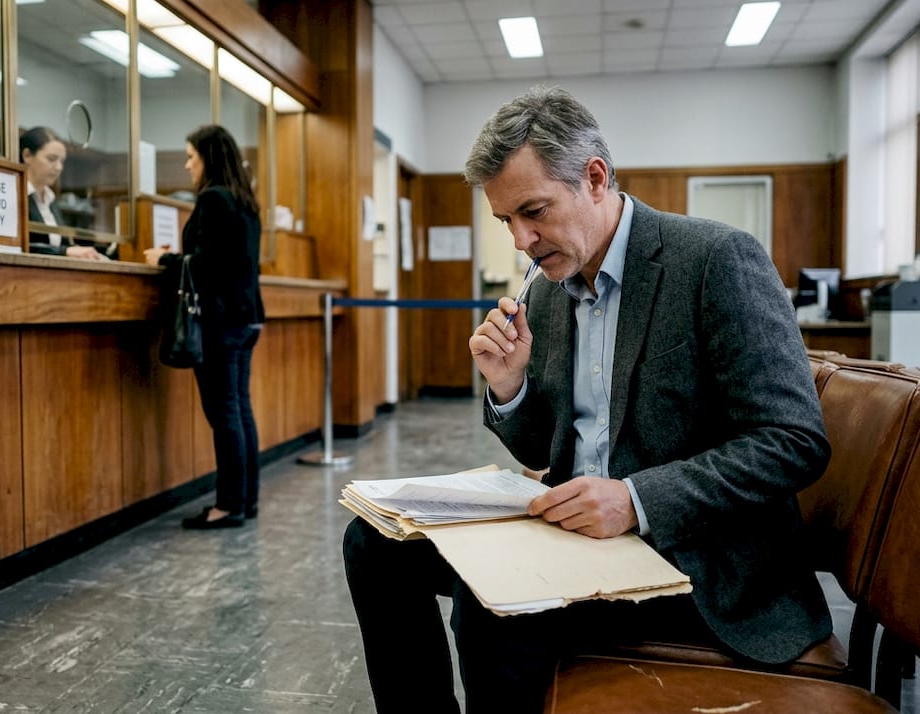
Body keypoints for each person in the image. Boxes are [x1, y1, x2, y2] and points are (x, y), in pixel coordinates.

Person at [342, 86, 832, 712]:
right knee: (374, 545)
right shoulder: (552, 287)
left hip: (695, 559)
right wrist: (510, 386)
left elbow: (794, 442)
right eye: (506, 221)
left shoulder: (715, 259)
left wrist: (636, 499)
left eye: (533, 211)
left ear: (595, 178)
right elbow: (541, 448)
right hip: (576, 539)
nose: (521, 240)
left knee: (494, 602)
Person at [144, 125, 264, 530]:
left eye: (191, 157)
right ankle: (245, 500)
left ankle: (228, 505)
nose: (187, 164)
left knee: (225, 413)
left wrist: (163, 260)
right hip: (246, 318)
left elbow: (209, 267)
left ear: (208, 159)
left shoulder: (214, 199)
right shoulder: (244, 201)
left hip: (220, 322)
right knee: (239, 409)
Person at [20, 126, 107, 260]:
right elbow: (21, 246)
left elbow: (61, 244)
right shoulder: (16, 196)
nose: (59, 167)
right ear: (27, 155)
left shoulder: (51, 199)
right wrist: (65, 252)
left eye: (61, 161)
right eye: (51, 159)